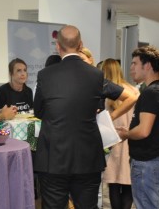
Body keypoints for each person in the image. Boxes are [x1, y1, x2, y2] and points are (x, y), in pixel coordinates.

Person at [34, 25, 105, 209]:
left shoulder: (45, 75)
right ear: (81, 45)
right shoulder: (97, 75)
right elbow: (98, 107)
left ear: (58, 46)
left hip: (53, 157)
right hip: (88, 157)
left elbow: (39, 112)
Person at [117, 46, 159, 209]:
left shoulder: (152, 92)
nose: (131, 68)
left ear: (147, 66)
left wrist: (125, 134)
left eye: (134, 63)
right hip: (151, 160)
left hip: (147, 162)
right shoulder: (157, 90)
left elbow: (143, 130)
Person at [102, 59, 138, 209]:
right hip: (130, 140)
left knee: (114, 185)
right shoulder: (133, 90)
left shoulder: (106, 93)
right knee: (128, 183)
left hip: (112, 143)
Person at [79, 47, 138, 120]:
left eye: (82, 59)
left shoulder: (101, 83)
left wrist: (111, 117)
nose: (79, 64)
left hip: (102, 128)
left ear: (90, 60)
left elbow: (131, 98)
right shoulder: (134, 89)